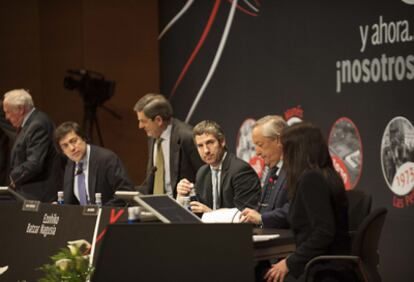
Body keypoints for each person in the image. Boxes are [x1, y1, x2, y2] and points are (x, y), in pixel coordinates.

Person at [264, 122, 350, 282]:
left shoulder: (311, 179)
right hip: (322, 262)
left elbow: (323, 233)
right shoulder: (328, 174)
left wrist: (289, 263)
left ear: (297, 151)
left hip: (320, 268)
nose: (283, 157)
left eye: (285, 151)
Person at [176, 120, 261, 213]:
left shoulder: (241, 170)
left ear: (222, 141)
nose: (206, 151)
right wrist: (183, 195)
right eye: (200, 146)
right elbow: (195, 211)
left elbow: (244, 215)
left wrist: (211, 214)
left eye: (210, 143)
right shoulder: (202, 173)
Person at [134, 93, 203, 197]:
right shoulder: (153, 136)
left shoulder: (187, 137)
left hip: (183, 206)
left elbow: (204, 176)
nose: (140, 126)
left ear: (158, 120)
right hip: (156, 206)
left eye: (143, 121)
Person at [54, 121, 135, 206]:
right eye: (65, 146)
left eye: (74, 141)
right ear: (62, 151)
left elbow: (126, 192)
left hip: (108, 216)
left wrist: (101, 212)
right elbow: (71, 202)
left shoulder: (106, 159)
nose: (72, 148)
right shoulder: (70, 164)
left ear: (83, 138)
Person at [3, 89, 62, 202]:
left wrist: (12, 178)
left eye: (8, 112)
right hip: (29, 191)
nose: (6, 117)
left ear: (20, 109)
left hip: (38, 194)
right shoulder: (31, 123)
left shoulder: (38, 124)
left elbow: (34, 163)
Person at [240, 115, 289, 228]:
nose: (257, 152)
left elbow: (295, 209)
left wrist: (261, 218)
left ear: (278, 140)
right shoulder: (273, 170)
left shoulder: (296, 169)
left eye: (260, 145)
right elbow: (264, 209)